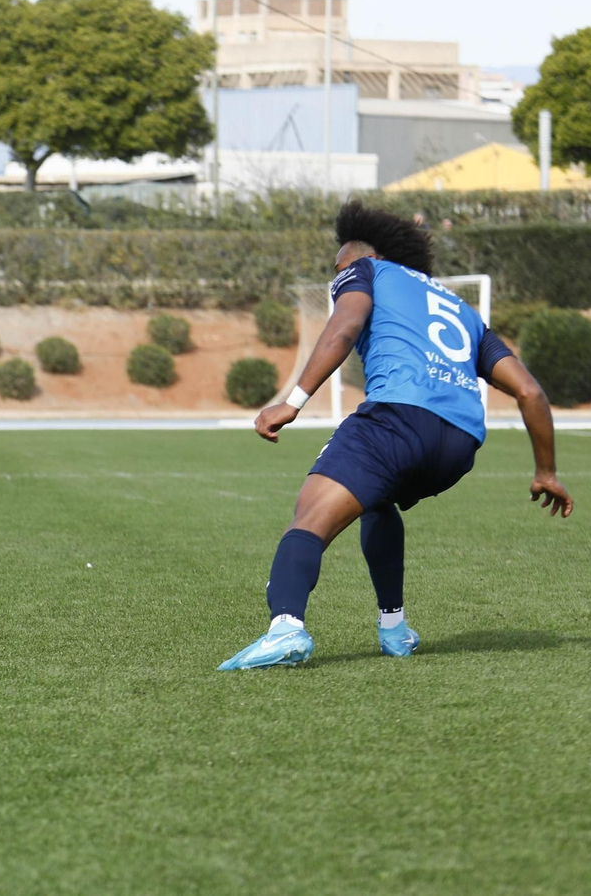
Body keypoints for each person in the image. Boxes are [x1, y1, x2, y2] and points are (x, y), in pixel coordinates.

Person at [219, 200, 572, 671]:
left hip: (397, 420)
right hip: (459, 445)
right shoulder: (463, 311)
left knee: (308, 520)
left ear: (366, 258)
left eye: (337, 268)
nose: (336, 278)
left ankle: (285, 628)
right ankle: (394, 629)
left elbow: (344, 326)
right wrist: (545, 471)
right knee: (378, 500)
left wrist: (293, 400)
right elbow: (529, 391)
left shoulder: (366, 270)